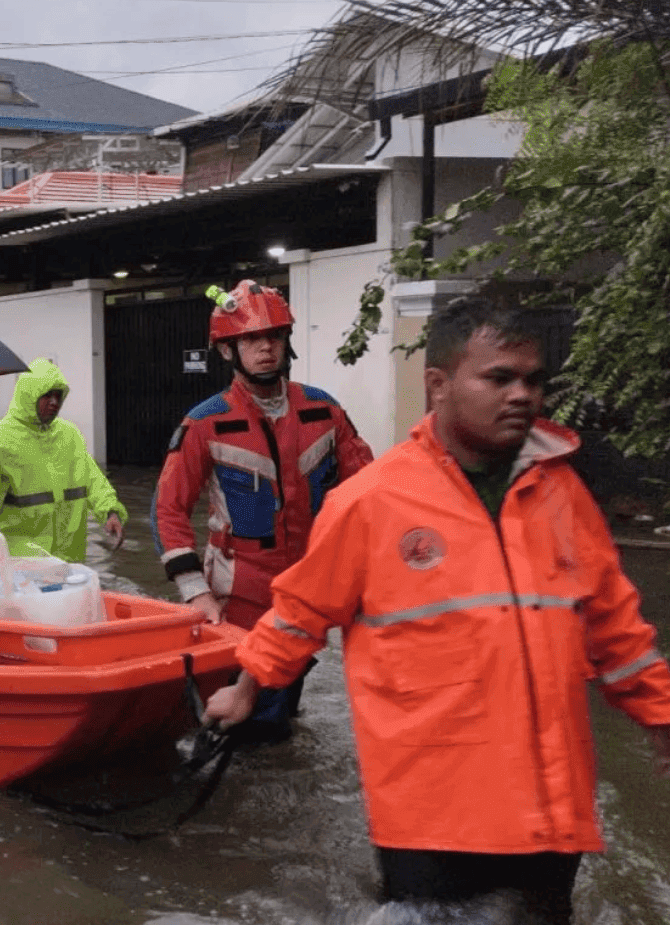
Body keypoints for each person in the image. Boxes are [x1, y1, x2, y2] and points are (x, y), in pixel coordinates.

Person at [204, 296, 670, 924]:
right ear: (438, 385)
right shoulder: (372, 503)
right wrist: (245, 689)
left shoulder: (562, 494)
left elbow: (616, 631)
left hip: (551, 808)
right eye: (498, 378)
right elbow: (301, 610)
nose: (521, 395)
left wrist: (660, 716)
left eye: (532, 380)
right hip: (431, 814)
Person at [152, 280, 374, 741]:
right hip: (237, 595)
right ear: (228, 350)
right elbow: (168, 511)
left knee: (284, 706)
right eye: (251, 339)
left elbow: (368, 491)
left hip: (307, 592)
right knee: (249, 726)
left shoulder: (324, 410)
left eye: (274, 336)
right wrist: (196, 593)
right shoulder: (205, 422)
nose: (266, 348)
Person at [0, 357, 125, 563]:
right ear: (29, 394)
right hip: (21, 561)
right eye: (47, 395)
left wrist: (110, 512)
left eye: (58, 396)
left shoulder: (70, 436)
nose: (54, 402)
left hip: (69, 559)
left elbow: (94, 481)